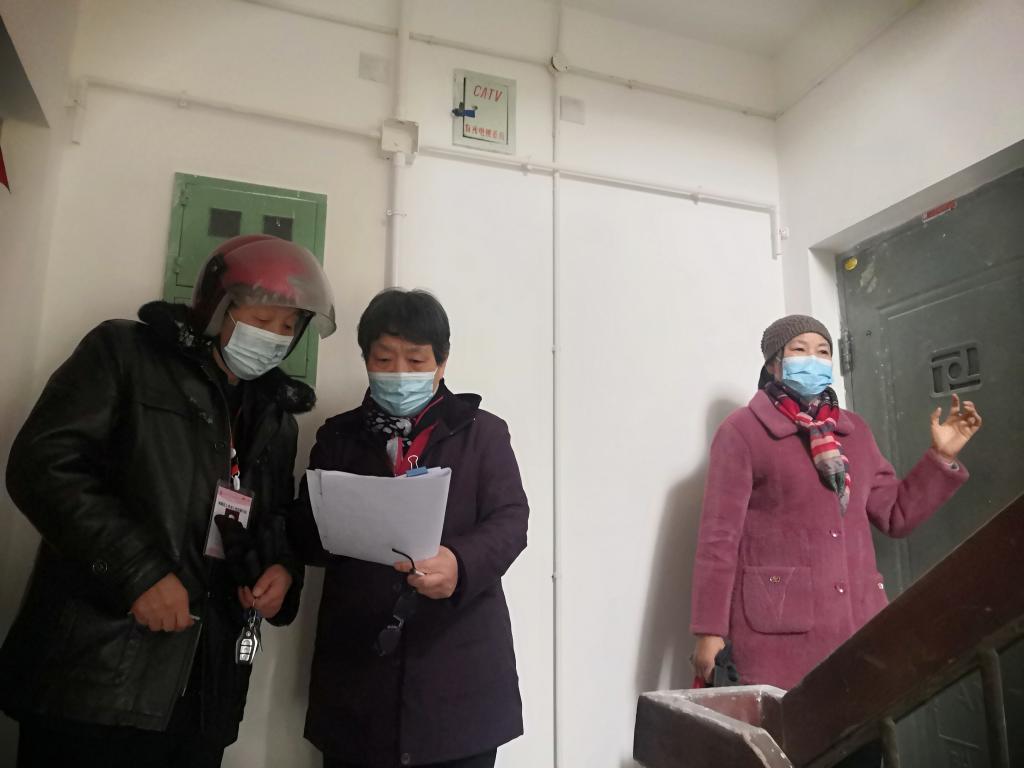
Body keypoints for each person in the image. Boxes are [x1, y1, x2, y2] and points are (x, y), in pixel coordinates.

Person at [0, 234, 336, 767]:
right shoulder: (126, 354)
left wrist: (280, 571)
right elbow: (43, 465)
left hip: (204, 695)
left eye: (287, 326)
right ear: (217, 308)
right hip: (97, 677)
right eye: (261, 319)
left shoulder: (275, 418)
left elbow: (269, 519)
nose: (274, 336)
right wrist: (138, 573)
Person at [288, 288, 528, 768]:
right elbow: (306, 535)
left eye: (416, 360)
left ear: (441, 364)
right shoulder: (337, 436)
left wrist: (459, 563)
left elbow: (510, 520)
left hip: (459, 676)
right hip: (358, 676)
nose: (399, 373)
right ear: (365, 360)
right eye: (384, 359)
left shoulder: (483, 433)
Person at [690, 314, 982, 690]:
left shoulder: (855, 432)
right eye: (800, 350)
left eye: (823, 351)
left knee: (865, 725)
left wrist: (941, 458)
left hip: (860, 627)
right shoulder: (742, 431)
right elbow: (718, 539)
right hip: (776, 633)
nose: (813, 359)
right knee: (788, 727)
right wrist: (709, 631)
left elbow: (895, 515)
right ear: (773, 364)